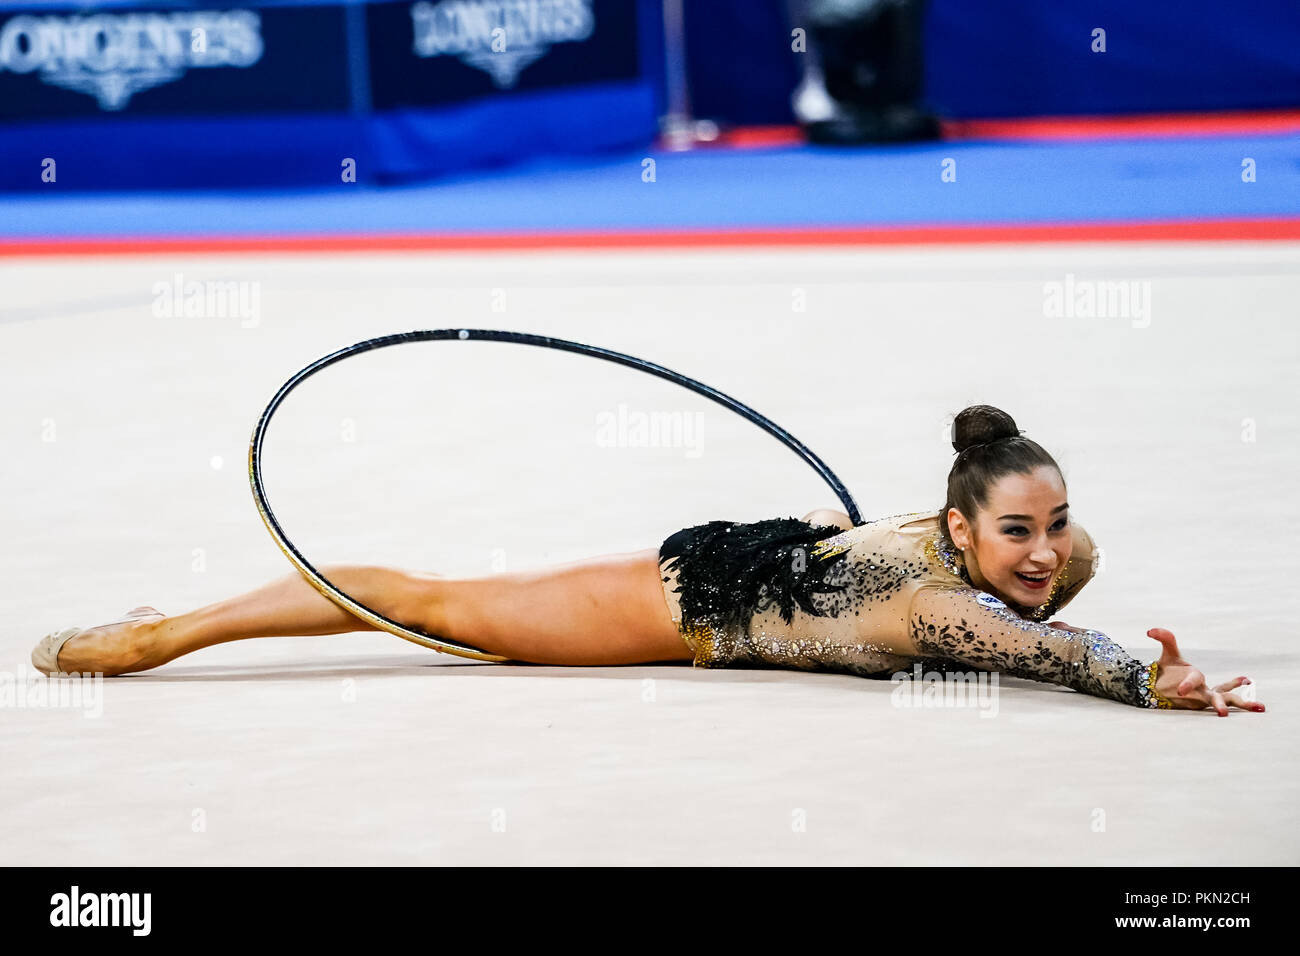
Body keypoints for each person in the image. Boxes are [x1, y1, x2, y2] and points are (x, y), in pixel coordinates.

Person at [32, 405, 1262, 715]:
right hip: (688, 601)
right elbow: (1055, 653)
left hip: (761, 559)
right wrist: (1155, 680)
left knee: (437, 603)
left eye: (1054, 525)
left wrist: (1061, 553)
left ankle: (176, 618)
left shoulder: (1031, 545)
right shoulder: (949, 613)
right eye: (1015, 531)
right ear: (954, 529)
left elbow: (1062, 574)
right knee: (430, 607)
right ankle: (162, 632)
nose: (1045, 552)